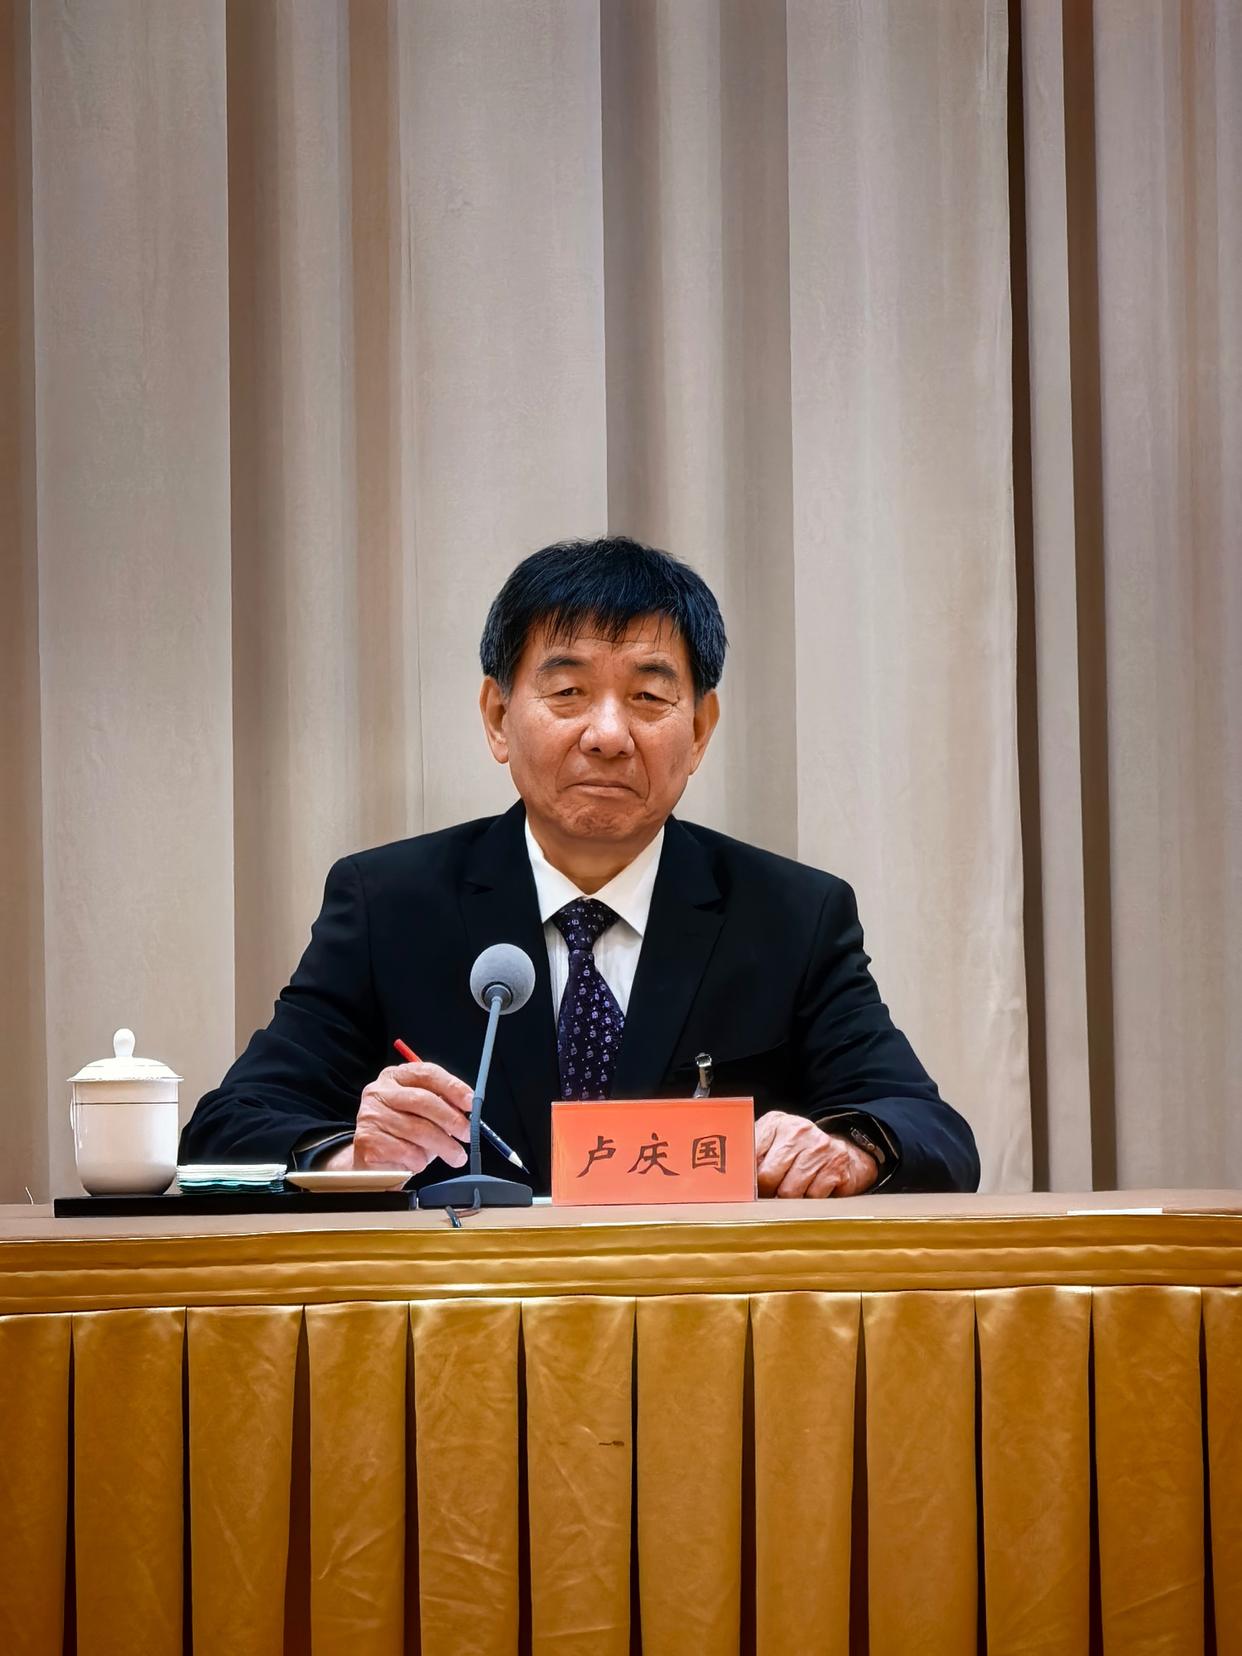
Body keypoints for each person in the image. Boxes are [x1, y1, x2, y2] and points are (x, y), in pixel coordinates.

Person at [181, 537, 979, 1196]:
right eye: (567, 692)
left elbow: (931, 1130)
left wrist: (847, 1149)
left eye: (648, 698)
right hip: (460, 1313)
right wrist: (350, 1158)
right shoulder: (389, 905)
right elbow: (227, 1128)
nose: (607, 734)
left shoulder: (791, 916)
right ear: (499, 717)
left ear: (700, 730)